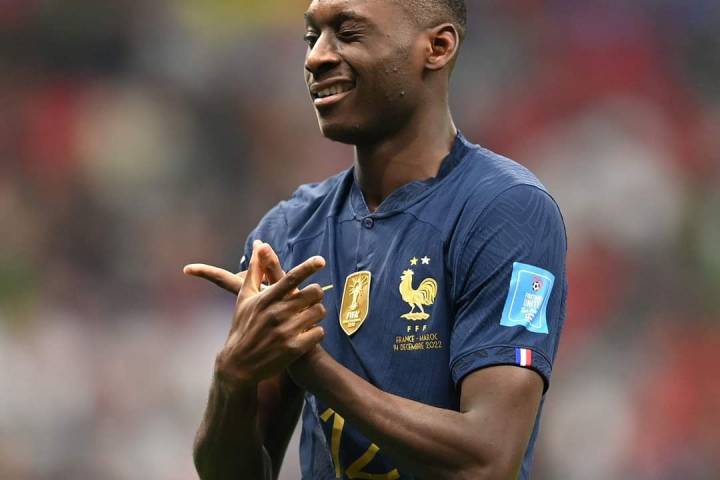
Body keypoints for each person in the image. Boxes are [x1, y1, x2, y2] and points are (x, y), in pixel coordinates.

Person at [184, 0, 567, 478]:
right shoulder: (288, 232)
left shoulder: (505, 210)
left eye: (348, 33)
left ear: (437, 47)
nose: (316, 57)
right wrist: (232, 376)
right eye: (312, 38)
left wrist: (314, 367)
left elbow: (487, 460)